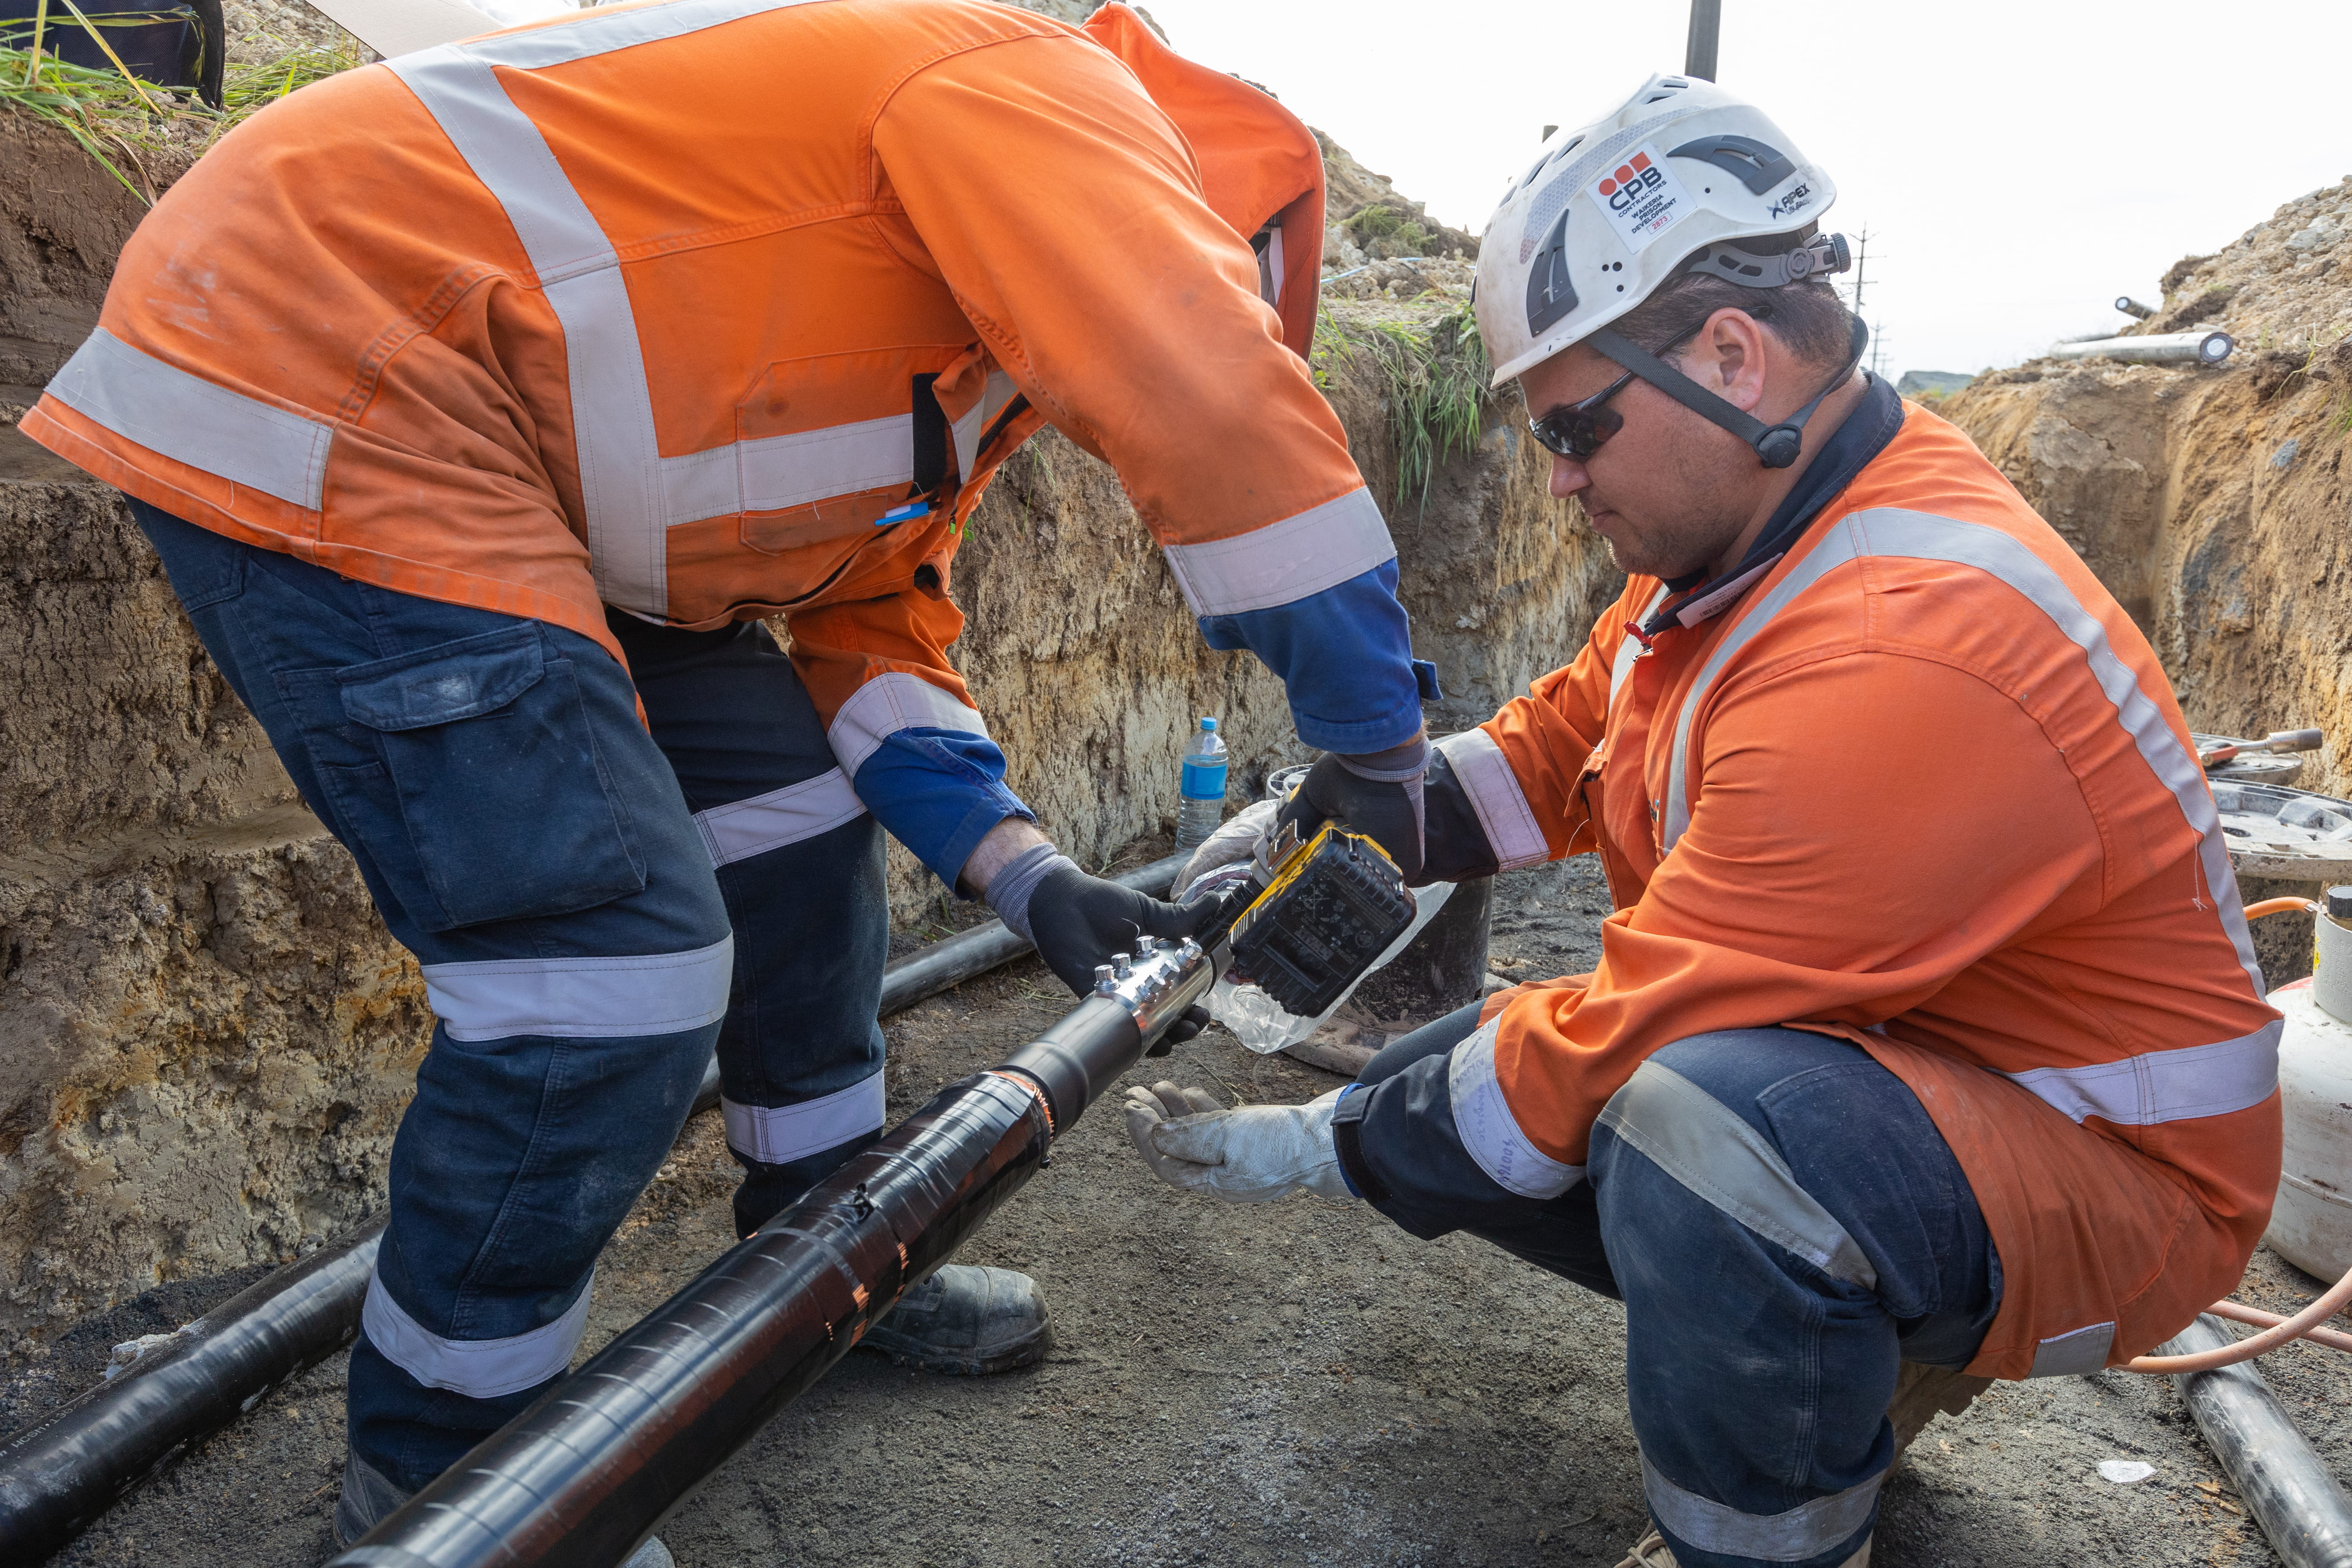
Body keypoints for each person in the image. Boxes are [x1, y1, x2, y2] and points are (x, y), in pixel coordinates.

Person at [20, 2, 1441, 1553]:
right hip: (344, 351)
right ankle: (452, 1475)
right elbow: (1218, 404)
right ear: (1201, 232)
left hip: (520, 464)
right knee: (606, 965)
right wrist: (1376, 749)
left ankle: (827, 1247)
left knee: (799, 813)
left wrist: (1034, 881)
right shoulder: (1037, 87)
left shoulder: (953, 342)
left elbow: (871, 628)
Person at [1124, 74, 2281, 1568]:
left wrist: (1322, 1142)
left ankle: (1771, 1541)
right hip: (1939, 1073)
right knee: (1511, 1087)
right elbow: (1563, 743)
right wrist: (1338, 815)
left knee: (1698, 1126)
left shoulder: (1899, 643)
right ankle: (1862, 1344)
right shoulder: (1750, 544)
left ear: (1730, 357)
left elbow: (1633, 1030)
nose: (1558, 480)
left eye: (1576, 429)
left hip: (2115, 1173)